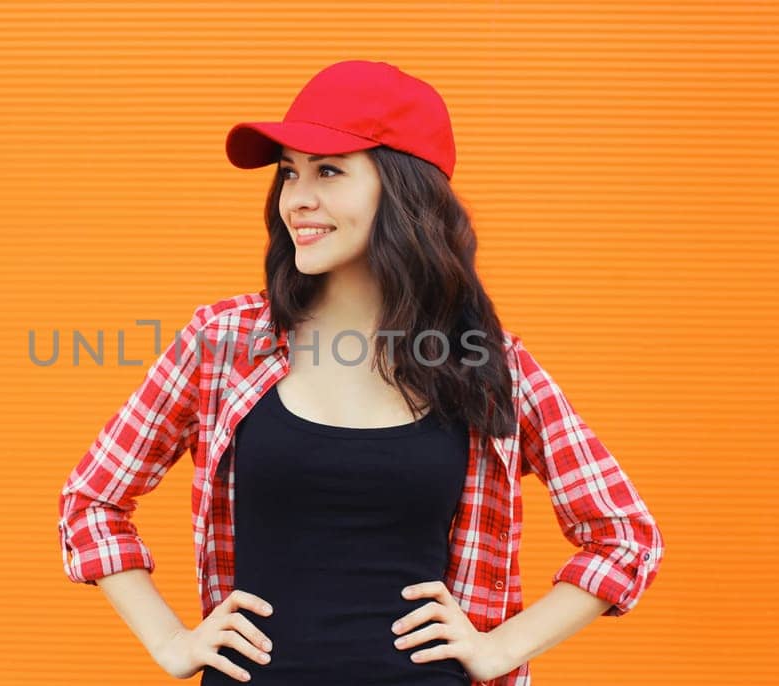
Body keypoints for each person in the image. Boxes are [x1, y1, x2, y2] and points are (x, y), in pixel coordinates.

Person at [57, 60, 664, 686]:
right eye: (289, 172)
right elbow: (91, 503)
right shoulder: (224, 343)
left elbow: (625, 538)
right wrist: (171, 641)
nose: (298, 198)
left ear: (404, 192)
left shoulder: (485, 363)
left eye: (328, 170)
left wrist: (499, 648)